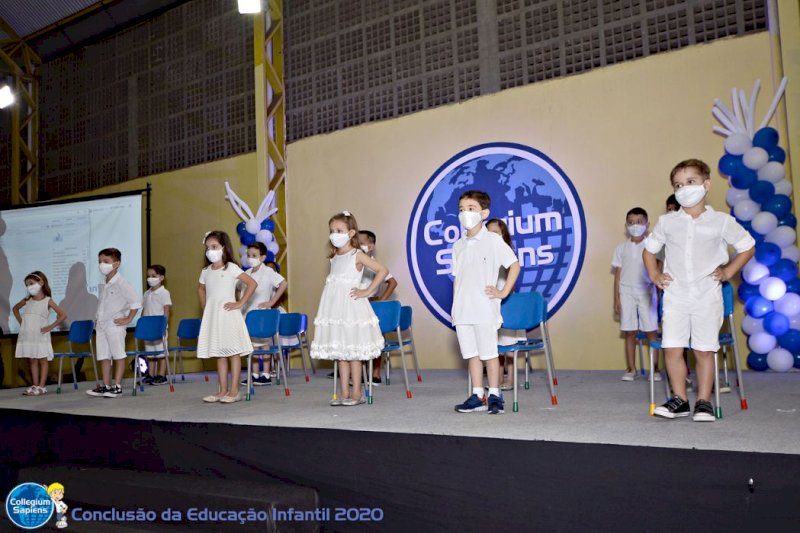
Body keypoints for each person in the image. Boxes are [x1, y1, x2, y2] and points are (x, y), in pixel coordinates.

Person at [643, 159, 755, 422]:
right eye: (678, 185)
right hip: (676, 295)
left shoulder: (721, 221)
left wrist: (728, 272)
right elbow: (649, 251)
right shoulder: (667, 222)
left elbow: (747, 246)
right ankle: (680, 399)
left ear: (706, 185)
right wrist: (655, 275)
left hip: (707, 296)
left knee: (704, 350)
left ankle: (703, 401)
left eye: (690, 182)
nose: (684, 188)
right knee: (672, 348)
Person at [452, 191, 520, 415]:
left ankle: (494, 394)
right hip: (463, 310)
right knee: (471, 354)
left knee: (489, 353)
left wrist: (502, 292)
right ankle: (478, 394)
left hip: (484, 308)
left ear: (484, 213)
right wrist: (455, 307)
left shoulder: (493, 240)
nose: (465, 213)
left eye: (471, 208)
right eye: (462, 209)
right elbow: (457, 278)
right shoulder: (458, 245)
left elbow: (514, 265)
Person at [311, 211, 387, 406]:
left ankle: (357, 393)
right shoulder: (334, 256)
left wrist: (367, 290)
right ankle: (344, 393)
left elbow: (382, 270)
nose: (334, 234)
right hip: (335, 308)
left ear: (351, 232)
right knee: (341, 353)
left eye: (339, 230)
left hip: (351, 308)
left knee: (353, 352)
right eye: (331, 231)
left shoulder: (357, 254)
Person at [197, 231, 257, 403]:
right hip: (214, 315)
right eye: (207, 248)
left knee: (233, 352)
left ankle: (234, 390)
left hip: (229, 315)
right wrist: (205, 306)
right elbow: (200, 288)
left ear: (223, 247)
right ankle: (222, 390)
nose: (210, 251)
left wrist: (240, 303)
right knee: (220, 353)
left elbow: (252, 283)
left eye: (214, 247)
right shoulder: (206, 271)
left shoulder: (231, 268)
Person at [86, 248, 142, 398]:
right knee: (103, 356)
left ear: (116, 264)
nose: (101, 265)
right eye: (100, 262)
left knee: (118, 355)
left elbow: (136, 302)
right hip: (102, 325)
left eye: (106, 261)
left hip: (115, 325)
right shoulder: (103, 283)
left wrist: (128, 319)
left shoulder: (122, 282)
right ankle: (106, 385)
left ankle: (117, 386)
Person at [612, 208, 660, 381]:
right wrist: (616, 298)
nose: (635, 225)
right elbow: (618, 275)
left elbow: (658, 270)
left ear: (647, 224)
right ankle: (631, 368)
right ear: (626, 226)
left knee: (651, 331)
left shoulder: (653, 246)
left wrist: (659, 293)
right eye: (631, 222)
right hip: (626, 292)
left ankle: (655, 370)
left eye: (639, 221)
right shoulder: (621, 248)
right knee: (629, 331)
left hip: (647, 292)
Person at [240, 242, 287, 386]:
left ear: (262, 257)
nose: (250, 258)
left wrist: (272, 302)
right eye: (248, 255)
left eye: (254, 255)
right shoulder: (246, 274)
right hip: (248, 313)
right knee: (252, 346)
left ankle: (266, 374)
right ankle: (254, 374)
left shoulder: (268, 272)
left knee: (264, 344)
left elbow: (283, 283)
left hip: (262, 313)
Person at [486, 218, 525, 391]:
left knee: (509, 344)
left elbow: (512, 275)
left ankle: (511, 379)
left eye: (495, 232)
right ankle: (498, 377)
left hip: (507, 301)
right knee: (495, 344)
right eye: (488, 232)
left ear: (504, 236)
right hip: (491, 303)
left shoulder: (506, 252)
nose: (491, 236)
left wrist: (503, 293)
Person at [13, 272, 67, 396]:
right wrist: (22, 323)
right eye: (27, 285)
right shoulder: (28, 300)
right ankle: (35, 385)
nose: (29, 287)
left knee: (43, 360)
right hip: (28, 334)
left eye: (31, 283)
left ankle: (42, 387)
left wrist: (50, 327)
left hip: (40, 334)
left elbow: (63, 315)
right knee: (32, 360)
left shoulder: (48, 300)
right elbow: (15, 309)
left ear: (41, 283)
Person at [357, 229, 398, 385]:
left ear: (371, 245)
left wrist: (381, 300)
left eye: (362, 243)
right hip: (356, 303)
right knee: (357, 339)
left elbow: (393, 282)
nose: (359, 246)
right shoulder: (354, 261)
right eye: (357, 242)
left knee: (376, 338)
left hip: (372, 302)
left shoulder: (375, 265)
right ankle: (359, 372)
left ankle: (375, 373)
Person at [141, 264, 172, 386]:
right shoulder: (146, 293)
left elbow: (166, 309)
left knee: (160, 352)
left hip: (159, 327)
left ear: (161, 277)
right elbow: (144, 309)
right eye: (148, 276)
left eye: (153, 276)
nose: (150, 278)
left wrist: (163, 325)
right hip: (148, 329)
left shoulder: (164, 293)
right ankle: (151, 374)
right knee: (150, 353)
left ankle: (162, 375)